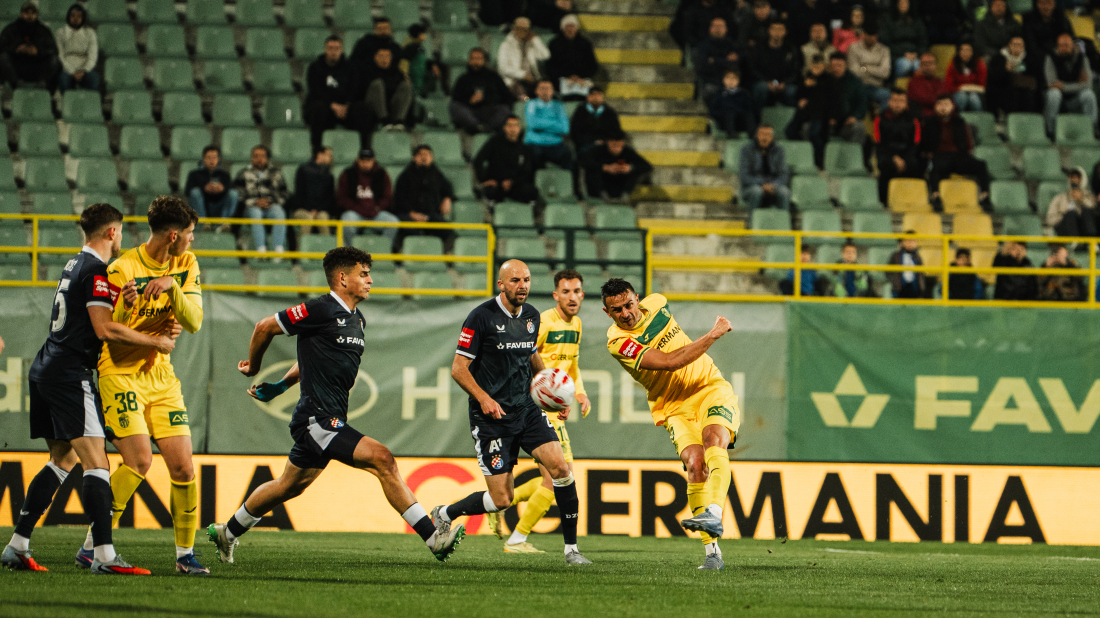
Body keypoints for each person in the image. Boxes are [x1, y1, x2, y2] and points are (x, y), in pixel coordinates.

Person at [208, 247, 465, 565]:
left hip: (328, 418)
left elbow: (313, 358)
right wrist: (255, 367)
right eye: (364, 274)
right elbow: (265, 327)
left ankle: (227, 533)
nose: (371, 280)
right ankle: (433, 537)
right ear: (343, 278)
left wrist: (282, 385)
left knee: (287, 486)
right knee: (383, 459)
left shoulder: (358, 319)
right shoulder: (320, 309)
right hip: (316, 420)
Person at [1, 204, 173, 575]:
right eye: (121, 232)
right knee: (97, 463)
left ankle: (17, 545)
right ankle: (104, 556)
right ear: (112, 232)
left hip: (46, 366)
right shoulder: (96, 270)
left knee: (63, 460)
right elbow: (104, 329)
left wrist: (122, 300)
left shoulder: (73, 265)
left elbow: (90, 314)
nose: (122, 238)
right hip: (69, 372)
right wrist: (153, 341)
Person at [72, 197, 207, 575]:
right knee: (140, 461)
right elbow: (111, 335)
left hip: (161, 376)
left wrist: (171, 288)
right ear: (173, 235)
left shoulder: (185, 264)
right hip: (119, 372)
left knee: (183, 467)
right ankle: (92, 546)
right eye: (190, 235)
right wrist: (132, 309)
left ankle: (185, 556)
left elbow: (193, 321)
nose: (192, 242)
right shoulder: (122, 268)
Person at [432, 260, 590, 566]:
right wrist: (483, 398)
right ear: (501, 284)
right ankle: (445, 513)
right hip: (492, 418)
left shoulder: (531, 317)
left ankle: (571, 549)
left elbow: (533, 357)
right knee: (502, 499)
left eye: (527, 279)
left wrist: (552, 393)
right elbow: (458, 368)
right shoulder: (481, 317)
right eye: (515, 280)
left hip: (527, 410)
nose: (523, 285)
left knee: (561, 469)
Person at [601, 278, 738, 570]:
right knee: (694, 464)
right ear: (607, 312)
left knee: (714, 439)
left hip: (709, 387)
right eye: (617, 310)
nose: (626, 313)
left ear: (637, 298)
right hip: (673, 406)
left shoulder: (659, 302)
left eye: (628, 304)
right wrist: (713, 335)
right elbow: (667, 362)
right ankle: (712, 553)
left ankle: (713, 512)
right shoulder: (618, 343)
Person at [489, 269, 591, 552]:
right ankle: (517, 538)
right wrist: (545, 395)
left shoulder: (577, 324)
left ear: (583, 294)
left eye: (577, 291)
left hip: (554, 405)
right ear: (555, 295)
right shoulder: (543, 321)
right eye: (566, 292)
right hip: (538, 407)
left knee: (556, 475)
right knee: (558, 475)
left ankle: (499, 505)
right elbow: (525, 360)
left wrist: (577, 392)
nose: (572, 297)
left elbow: (572, 364)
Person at [920, 94, 991, 210]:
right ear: (935, 107)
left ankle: (985, 197)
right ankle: (936, 197)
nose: (943, 108)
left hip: (959, 157)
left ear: (952, 106)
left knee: (981, 165)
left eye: (946, 104)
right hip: (939, 156)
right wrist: (927, 153)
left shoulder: (960, 123)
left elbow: (968, 144)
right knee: (934, 167)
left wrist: (967, 154)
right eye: (940, 104)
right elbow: (923, 144)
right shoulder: (928, 123)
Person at [304, 36, 368, 152]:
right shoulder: (315, 67)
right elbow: (315, 90)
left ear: (342, 50)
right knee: (317, 108)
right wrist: (332, 105)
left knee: (363, 109)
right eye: (330, 48)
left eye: (337, 48)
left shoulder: (351, 67)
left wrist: (346, 105)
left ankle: (363, 149)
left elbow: (354, 89)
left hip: (345, 109)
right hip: (325, 108)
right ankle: (317, 149)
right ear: (325, 49)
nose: (333, 52)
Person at [392, 145, 455, 251]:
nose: (423, 157)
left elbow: (447, 188)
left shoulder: (437, 174)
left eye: (427, 154)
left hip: (431, 214)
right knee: (406, 229)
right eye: (420, 154)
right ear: (414, 158)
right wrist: (412, 213)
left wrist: (447, 199)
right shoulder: (405, 176)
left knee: (449, 232)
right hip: (409, 215)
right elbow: (399, 198)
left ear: (432, 158)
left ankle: (440, 256)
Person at [336, 149, 398, 248]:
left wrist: (377, 208)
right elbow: (342, 198)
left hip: (375, 213)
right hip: (355, 213)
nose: (366, 163)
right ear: (358, 160)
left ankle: (383, 251)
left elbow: (387, 198)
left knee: (393, 222)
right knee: (346, 222)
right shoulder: (347, 174)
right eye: (363, 160)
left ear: (373, 161)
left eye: (368, 160)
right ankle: (352, 253)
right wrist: (357, 209)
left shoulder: (382, 174)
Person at [235, 145, 288, 259]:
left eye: (262, 156)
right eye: (255, 156)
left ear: (267, 158)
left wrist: (270, 201)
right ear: (251, 158)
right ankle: (261, 250)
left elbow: (284, 193)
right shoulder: (243, 173)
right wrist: (254, 202)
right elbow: (238, 194)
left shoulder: (276, 173)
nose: (259, 159)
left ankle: (278, 250)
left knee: (279, 212)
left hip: (271, 205)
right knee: (256, 213)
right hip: (250, 207)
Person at [473, 115, 539, 205]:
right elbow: (478, 160)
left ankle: (527, 214)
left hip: (515, 185)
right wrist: (484, 179)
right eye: (510, 126)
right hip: (496, 184)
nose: (513, 129)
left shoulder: (525, 149)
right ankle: (491, 212)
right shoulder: (494, 142)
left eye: (516, 126)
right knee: (490, 191)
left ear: (519, 128)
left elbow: (527, 171)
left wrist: (512, 182)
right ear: (504, 128)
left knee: (532, 191)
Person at [1043, 33, 1098, 139]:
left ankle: (1091, 130)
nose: (1063, 48)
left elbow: (1087, 85)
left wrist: (1064, 86)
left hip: (1075, 99)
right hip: (1058, 98)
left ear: (1073, 46)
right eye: (1061, 46)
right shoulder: (1051, 57)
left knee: (1089, 94)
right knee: (1054, 93)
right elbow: (1052, 84)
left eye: (1066, 45)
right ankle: (1051, 132)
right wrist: (1077, 84)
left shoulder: (1082, 59)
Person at [448, 48, 514, 135]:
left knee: (505, 109)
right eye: (473, 58)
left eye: (478, 59)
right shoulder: (463, 79)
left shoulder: (494, 77)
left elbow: (506, 97)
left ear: (485, 61)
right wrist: (470, 101)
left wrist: (486, 98)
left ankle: (487, 127)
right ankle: (478, 126)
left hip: (490, 113)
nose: (475, 62)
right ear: (469, 60)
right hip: (470, 113)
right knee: (454, 107)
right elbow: (456, 99)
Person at [873, 89, 922, 203]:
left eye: (901, 101)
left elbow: (915, 143)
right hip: (887, 153)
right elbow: (879, 142)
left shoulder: (914, 120)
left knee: (915, 165)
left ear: (906, 103)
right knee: (886, 165)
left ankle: (911, 201)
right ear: (889, 102)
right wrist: (894, 157)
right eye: (895, 101)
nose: (898, 104)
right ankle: (883, 201)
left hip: (906, 153)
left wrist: (903, 159)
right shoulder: (879, 118)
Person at [0, 2, 60, 91]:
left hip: (37, 67)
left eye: (32, 13)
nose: (29, 15)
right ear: (21, 14)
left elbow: (53, 50)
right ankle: (17, 84)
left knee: (55, 61)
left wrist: (38, 51)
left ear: (37, 15)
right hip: (18, 67)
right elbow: (1, 46)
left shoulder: (44, 30)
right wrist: (17, 49)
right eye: (26, 13)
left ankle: (42, 84)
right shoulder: (10, 29)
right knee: (3, 57)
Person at [580, 130, 653, 201]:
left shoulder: (627, 152)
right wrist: (605, 167)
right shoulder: (599, 150)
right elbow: (583, 161)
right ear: (608, 142)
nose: (617, 149)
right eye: (614, 145)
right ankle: (603, 195)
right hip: (602, 185)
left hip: (620, 184)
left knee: (635, 171)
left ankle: (625, 196)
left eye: (620, 146)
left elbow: (647, 166)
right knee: (593, 171)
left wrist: (629, 168)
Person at [739, 125, 790, 220]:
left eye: (768, 135)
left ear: (772, 137)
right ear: (756, 136)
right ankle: (752, 226)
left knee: (784, 192)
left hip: (773, 185)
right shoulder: (746, 150)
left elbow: (784, 175)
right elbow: (744, 176)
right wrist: (762, 183)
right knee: (756, 191)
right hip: (752, 186)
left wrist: (773, 185)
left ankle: (784, 226)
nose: (765, 138)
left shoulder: (779, 150)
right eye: (762, 134)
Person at [786, 55, 829, 165]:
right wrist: (805, 87)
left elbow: (826, 99)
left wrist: (814, 87)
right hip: (804, 113)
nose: (816, 69)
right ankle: (803, 152)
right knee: (790, 131)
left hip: (819, 114)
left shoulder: (828, 80)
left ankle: (820, 161)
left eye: (819, 66)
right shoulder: (806, 78)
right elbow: (797, 96)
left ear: (823, 66)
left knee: (814, 134)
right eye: (814, 66)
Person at [524, 79, 574, 172]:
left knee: (568, 154)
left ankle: (568, 185)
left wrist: (542, 125)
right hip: (535, 143)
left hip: (555, 144)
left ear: (552, 91)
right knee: (532, 157)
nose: (545, 91)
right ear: (536, 91)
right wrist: (554, 124)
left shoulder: (559, 106)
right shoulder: (531, 104)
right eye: (542, 88)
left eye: (548, 88)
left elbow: (564, 128)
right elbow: (533, 124)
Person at [748, 20, 799, 110]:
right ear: (769, 31)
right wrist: (768, 83)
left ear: (785, 32)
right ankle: (757, 118)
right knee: (761, 88)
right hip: (764, 82)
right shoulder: (759, 48)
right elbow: (752, 69)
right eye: (774, 29)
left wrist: (785, 83)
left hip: (784, 84)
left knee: (793, 91)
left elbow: (795, 71)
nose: (777, 32)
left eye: (780, 29)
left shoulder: (791, 49)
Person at [546, 14, 597, 100]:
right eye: (567, 27)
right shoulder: (554, 44)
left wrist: (579, 76)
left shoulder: (585, 44)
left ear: (576, 28)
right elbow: (550, 66)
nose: (570, 29)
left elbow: (592, 65)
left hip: (582, 79)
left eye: (572, 26)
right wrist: (566, 76)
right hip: (560, 80)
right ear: (562, 28)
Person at [497, 17, 550, 99]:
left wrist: (535, 39)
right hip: (514, 81)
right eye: (519, 28)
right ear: (514, 29)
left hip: (533, 80)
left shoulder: (531, 43)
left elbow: (545, 56)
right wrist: (523, 75)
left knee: (547, 93)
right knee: (524, 97)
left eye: (524, 29)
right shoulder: (506, 45)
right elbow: (502, 68)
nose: (521, 31)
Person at [987, 35, 1039, 118]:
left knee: (1029, 96)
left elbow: (1034, 76)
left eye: (1020, 45)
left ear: (1023, 47)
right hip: (1004, 89)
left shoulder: (1029, 59)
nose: (1017, 47)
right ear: (1009, 45)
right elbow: (993, 78)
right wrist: (1005, 70)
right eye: (1015, 44)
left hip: (1024, 90)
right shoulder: (999, 58)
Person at [292, 147, 338, 238]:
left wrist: (317, 210)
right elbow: (300, 193)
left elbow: (329, 198)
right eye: (329, 155)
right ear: (320, 155)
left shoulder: (329, 175)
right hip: (302, 209)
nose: (331, 158)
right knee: (308, 218)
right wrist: (310, 209)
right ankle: (302, 250)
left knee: (323, 218)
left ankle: (328, 250)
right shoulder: (303, 170)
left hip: (321, 210)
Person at [362, 47, 412, 131]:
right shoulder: (367, 71)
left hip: (391, 107)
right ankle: (384, 121)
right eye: (381, 56)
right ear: (375, 57)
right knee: (377, 84)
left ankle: (399, 121)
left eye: (387, 56)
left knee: (406, 85)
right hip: (371, 107)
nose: (384, 59)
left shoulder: (397, 73)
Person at [694, 17, 741, 104]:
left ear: (726, 29)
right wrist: (726, 61)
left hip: (731, 83)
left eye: (721, 26)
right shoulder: (703, 46)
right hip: (711, 82)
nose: (718, 29)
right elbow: (702, 67)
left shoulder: (732, 45)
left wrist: (714, 61)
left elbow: (736, 64)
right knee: (710, 91)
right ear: (710, 29)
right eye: (715, 26)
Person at [185, 146, 238, 222]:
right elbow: (187, 191)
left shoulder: (225, 175)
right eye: (209, 157)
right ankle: (203, 224)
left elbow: (231, 190)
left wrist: (223, 189)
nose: (211, 160)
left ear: (218, 159)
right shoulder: (194, 174)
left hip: (220, 206)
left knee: (234, 193)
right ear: (203, 159)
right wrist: (204, 188)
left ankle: (225, 224)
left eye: (214, 158)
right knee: (195, 192)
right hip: (202, 206)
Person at [54, 3, 97, 93]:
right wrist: (72, 71)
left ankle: (91, 105)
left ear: (83, 18)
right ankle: (67, 106)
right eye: (73, 15)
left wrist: (84, 70)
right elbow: (60, 55)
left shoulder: (90, 33)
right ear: (68, 17)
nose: (75, 19)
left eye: (79, 16)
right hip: (67, 68)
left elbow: (93, 56)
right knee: (63, 78)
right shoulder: (61, 32)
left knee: (94, 78)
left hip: (85, 68)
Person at [846, 26, 892, 110]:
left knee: (886, 94)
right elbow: (853, 72)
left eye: (873, 36)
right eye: (868, 35)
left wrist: (866, 67)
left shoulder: (884, 50)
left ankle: (883, 121)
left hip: (876, 86)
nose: (871, 38)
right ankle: (857, 120)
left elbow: (885, 73)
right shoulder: (853, 48)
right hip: (859, 85)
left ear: (877, 36)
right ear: (863, 34)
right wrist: (876, 69)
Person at [569, 87, 622, 155]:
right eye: (593, 94)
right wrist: (594, 141)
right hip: (586, 145)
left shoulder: (610, 113)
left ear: (603, 97)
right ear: (588, 97)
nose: (596, 97)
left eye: (599, 94)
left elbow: (616, 132)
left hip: (607, 145)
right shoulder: (580, 112)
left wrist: (605, 141)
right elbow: (575, 133)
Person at [1046, 167, 1097, 237]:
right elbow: (1049, 219)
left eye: (1077, 178)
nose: (1074, 180)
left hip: (1083, 229)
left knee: (1086, 211)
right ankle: (1074, 242)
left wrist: (1081, 200)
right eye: (1072, 177)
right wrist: (1062, 216)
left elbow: (1093, 211)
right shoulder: (1059, 198)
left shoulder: (1089, 196)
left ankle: (1092, 240)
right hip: (1065, 229)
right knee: (1071, 214)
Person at [880, 0, 926, 78]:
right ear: (896, 5)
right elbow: (886, 44)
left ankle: (918, 88)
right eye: (901, 3)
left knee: (918, 66)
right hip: (896, 56)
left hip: (915, 55)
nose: (903, 5)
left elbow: (923, 41)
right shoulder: (889, 21)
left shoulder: (916, 21)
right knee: (905, 65)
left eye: (905, 3)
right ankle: (900, 87)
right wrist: (903, 54)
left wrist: (917, 53)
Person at [709, 70, 756, 137]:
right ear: (723, 79)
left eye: (734, 78)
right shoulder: (718, 94)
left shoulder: (744, 93)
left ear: (738, 80)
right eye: (728, 77)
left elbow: (750, 108)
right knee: (729, 114)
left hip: (741, 122)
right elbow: (713, 110)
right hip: (725, 122)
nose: (731, 80)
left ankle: (752, 135)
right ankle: (731, 134)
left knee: (749, 115)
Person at [945, 41, 987, 112]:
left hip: (976, 92)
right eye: (963, 50)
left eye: (968, 50)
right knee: (962, 97)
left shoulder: (979, 63)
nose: (965, 53)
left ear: (973, 52)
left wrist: (969, 88)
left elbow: (982, 84)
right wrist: (961, 88)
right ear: (958, 52)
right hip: (958, 92)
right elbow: (949, 85)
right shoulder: (953, 64)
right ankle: (959, 119)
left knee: (973, 98)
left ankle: (978, 120)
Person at [888, 231, 925, 298]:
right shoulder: (895, 256)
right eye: (907, 241)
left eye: (912, 241)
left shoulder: (917, 258)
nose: (910, 243)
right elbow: (888, 272)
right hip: (900, 288)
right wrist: (895, 281)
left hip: (914, 288)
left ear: (916, 243)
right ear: (903, 242)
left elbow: (921, 274)